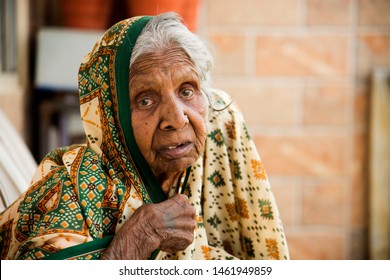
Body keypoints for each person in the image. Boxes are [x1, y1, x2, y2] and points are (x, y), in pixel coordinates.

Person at [0, 12, 289, 260]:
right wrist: (138, 238)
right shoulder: (68, 195)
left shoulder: (218, 134)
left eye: (187, 90)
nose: (176, 119)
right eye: (145, 100)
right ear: (112, 119)